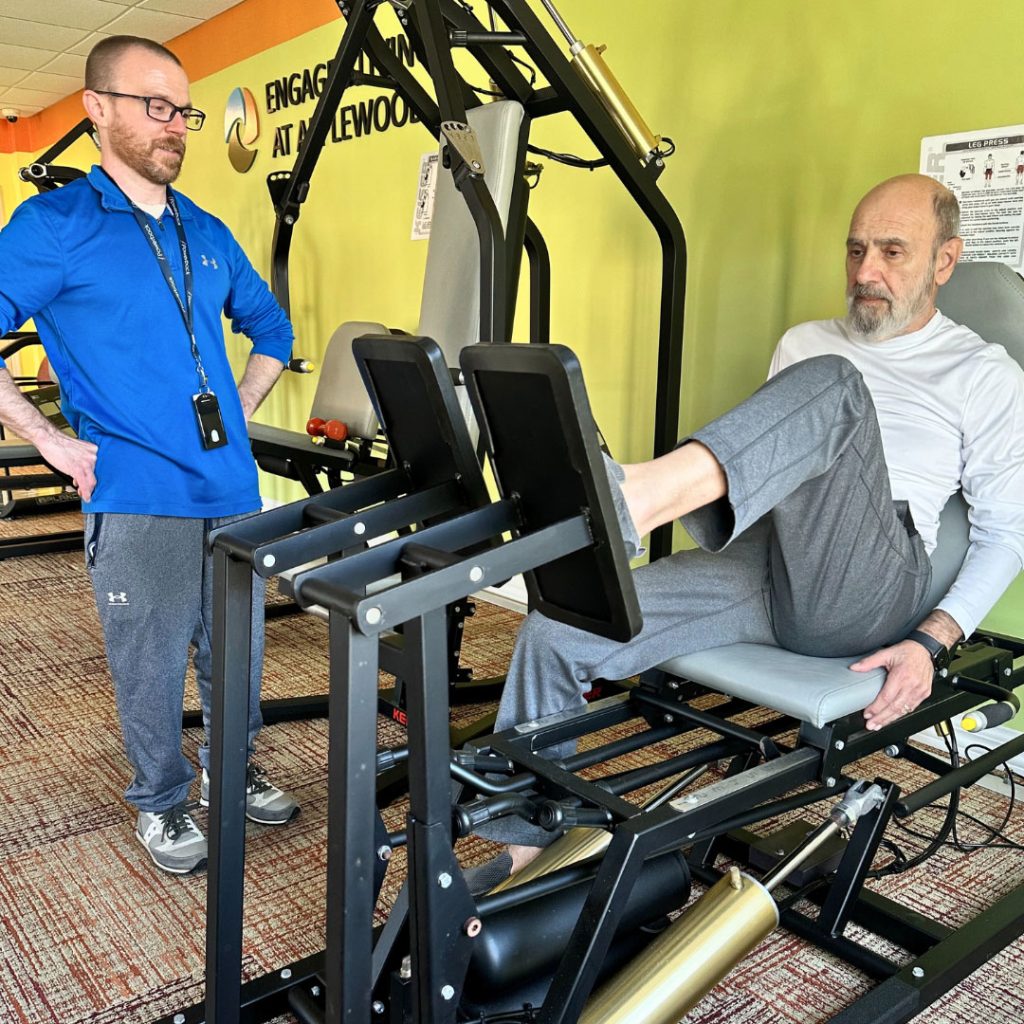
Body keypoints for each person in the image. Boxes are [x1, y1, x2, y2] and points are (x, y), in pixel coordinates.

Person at [466, 173, 1024, 893]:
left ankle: (632, 498)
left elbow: (1006, 534)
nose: (865, 273)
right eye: (855, 251)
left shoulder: (983, 373)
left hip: (873, 584)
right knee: (562, 625)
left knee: (837, 386)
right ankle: (524, 856)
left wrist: (929, 644)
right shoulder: (803, 342)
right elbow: (764, 475)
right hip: (769, 560)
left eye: (893, 252)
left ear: (945, 262)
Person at [0, 36, 300, 875]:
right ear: (97, 108)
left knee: (237, 654)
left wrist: (240, 411)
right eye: (155, 106)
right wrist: (50, 441)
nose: (176, 126)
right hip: (135, 493)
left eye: (185, 111)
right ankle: (162, 800)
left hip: (231, 488)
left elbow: (271, 328)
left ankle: (233, 775)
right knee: (152, 663)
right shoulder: (53, 227)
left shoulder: (204, 227)